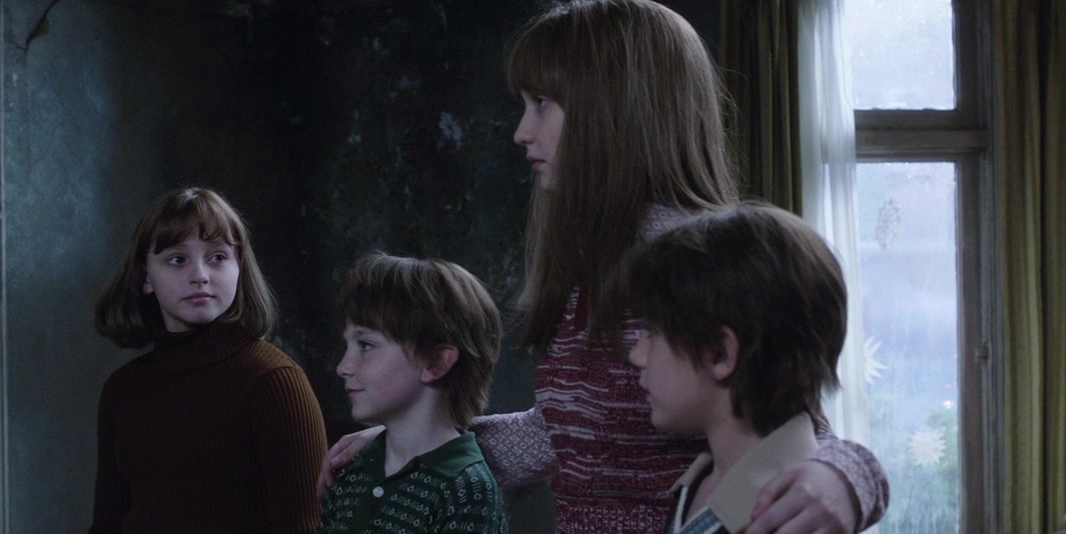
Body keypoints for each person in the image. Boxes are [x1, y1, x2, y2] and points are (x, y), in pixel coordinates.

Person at [319, 1, 889, 532]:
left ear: (613, 110)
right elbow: (568, 434)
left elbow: (797, 430)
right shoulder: (596, 264)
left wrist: (847, 478)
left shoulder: (697, 265)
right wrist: (416, 445)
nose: (521, 131)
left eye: (542, 103)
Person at [90, 187, 327, 533]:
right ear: (145, 278)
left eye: (217, 257)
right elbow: (106, 525)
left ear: (239, 266)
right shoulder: (122, 390)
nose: (199, 274)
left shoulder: (273, 381)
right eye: (177, 259)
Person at [622, 203, 850, 533]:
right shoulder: (703, 478)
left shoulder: (785, 517)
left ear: (719, 353)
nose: (637, 355)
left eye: (652, 333)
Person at [319, 254, 508, 533]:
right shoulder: (351, 467)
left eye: (366, 345)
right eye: (347, 346)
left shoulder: (466, 490)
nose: (343, 367)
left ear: (436, 362)